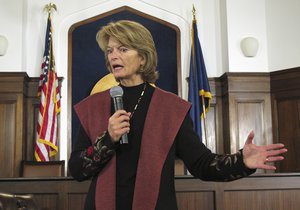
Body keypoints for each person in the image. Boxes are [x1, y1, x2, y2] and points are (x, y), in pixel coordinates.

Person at [68, 20, 287, 210]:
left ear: (143, 57)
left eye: (123, 49)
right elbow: (77, 170)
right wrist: (108, 139)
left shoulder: (170, 107)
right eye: (110, 50)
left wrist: (242, 161)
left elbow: (201, 164)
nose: (114, 55)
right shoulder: (94, 106)